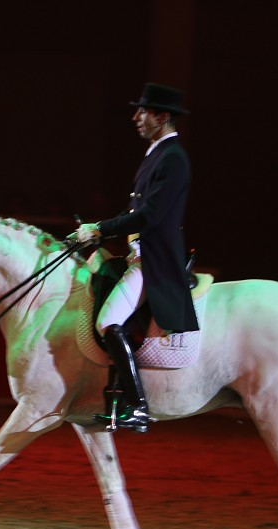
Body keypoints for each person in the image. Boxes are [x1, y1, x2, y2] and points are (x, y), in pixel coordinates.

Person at [77, 82, 199, 432]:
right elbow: (136, 210)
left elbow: (150, 215)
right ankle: (115, 398)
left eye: (143, 111)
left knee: (108, 322)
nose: (136, 118)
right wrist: (93, 231)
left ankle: (138, 406)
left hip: (154, 260)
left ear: (162, 116)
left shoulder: (173, 158)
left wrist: (100, 228)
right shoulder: (158, 153)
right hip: (138, 254)